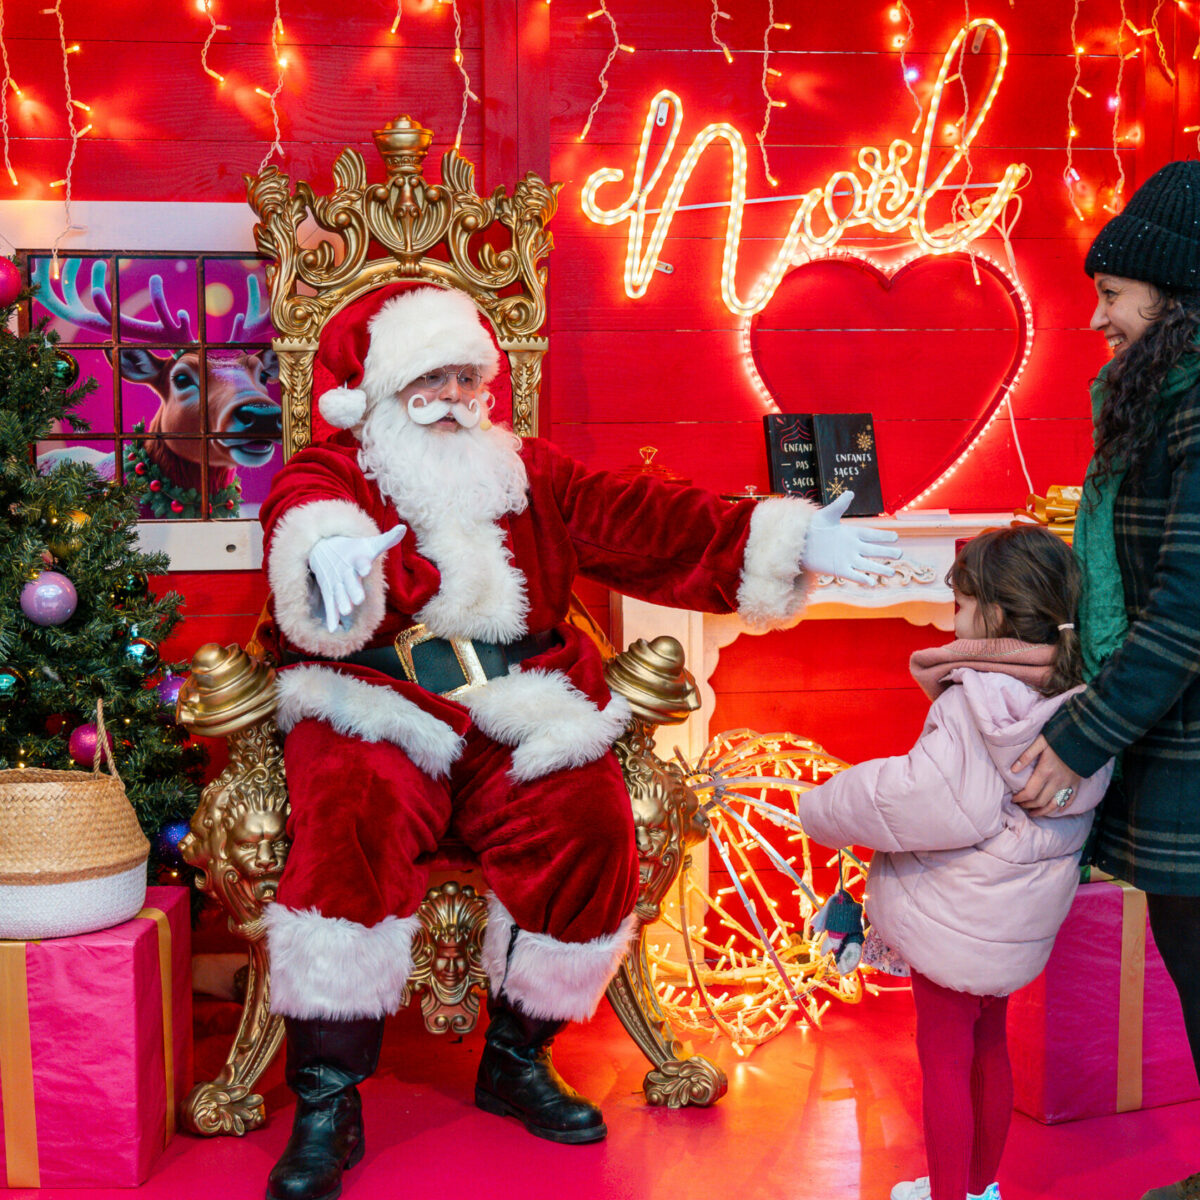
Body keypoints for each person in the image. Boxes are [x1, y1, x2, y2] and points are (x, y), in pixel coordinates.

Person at [256, 281, 900, 1200]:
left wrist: (778, 538)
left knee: (590, 823)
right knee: (351, 815)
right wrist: (323, 553)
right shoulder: (337, 470)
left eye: (465, 379)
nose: (452, 399)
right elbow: (303, 509)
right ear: (380, 392)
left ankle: (516, 1058)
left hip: (517, 701)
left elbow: (648, 520)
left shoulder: (525, 472)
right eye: (428, 381)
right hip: (381, 702)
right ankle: (327, 1098)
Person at [792, 525, 1114, 1200]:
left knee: (943, 1056)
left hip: (956, 912)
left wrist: (824, 805)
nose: (953, 617)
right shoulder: (1079, 701)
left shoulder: (977, 700)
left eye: (960, 604)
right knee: (989, 1045)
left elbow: (924, 798)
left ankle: (947, 1196)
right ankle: (977, 1188)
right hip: (1015, 918)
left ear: (993, 614)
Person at [1008, 160, 1200, 1200]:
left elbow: (1190, 608)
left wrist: (1083, 733)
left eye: (1113, 293)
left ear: (1174, 293)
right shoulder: (1167, 395)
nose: (1096, 319)